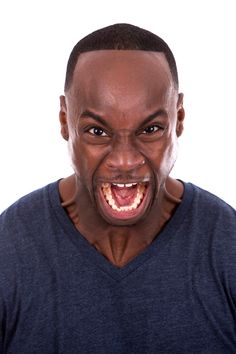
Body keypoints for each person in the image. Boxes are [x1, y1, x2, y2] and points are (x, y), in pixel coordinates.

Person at [0, 23, 236, 354]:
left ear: (178, 117)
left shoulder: (226, 243)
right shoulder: (10, 246)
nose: (124, 160)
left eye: (151, 128)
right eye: (97, 132)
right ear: (64, 120)